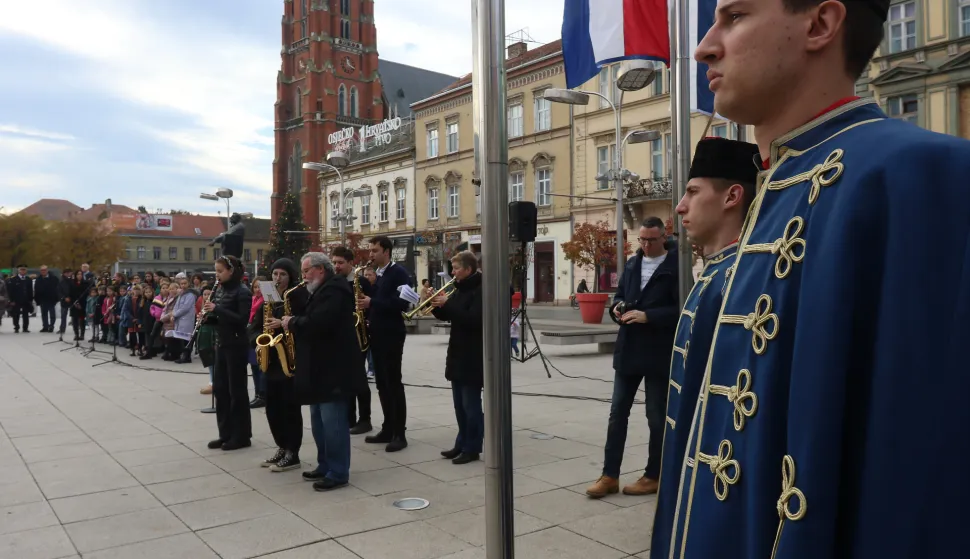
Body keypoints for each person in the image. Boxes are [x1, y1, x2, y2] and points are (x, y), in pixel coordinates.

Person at [659, 1, 970, 557]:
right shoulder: (773, 192)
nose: (705, 47)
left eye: (735, 16)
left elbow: (925, 467)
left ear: (820, 24)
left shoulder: (927, 174)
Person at [649, 137, 760, 559]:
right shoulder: (717, 272)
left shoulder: (739, 278)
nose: (680, 207)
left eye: (693, 192)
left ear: (732, 197)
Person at [586, 217, 679, 499]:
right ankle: (609, 475)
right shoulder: (632, 263)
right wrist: (617, 307)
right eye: (642, 240)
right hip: (629, 348)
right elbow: (620, 295)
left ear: (663, 237)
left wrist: (649, 315)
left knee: (656, 416)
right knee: (617, 414)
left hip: (658, 351)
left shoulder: (676, 265)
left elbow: (682, 308)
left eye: (651, 240)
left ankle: (654, 475)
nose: (646, 245)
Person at [282, 252, 362, 491]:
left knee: (333, 423)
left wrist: (292, 322)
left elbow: (320, 323)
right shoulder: (320, 290)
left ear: (320, 269)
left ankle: (338, 472)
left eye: (306, 271)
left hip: (333, 370)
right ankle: (325, 464)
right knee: (319, 423)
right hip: (318, 368)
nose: (304, 276)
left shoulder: (335, 290)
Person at [250, 259, 308, 472]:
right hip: (271, 360)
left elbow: (305, 324)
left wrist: (283, 326)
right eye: (275, 274)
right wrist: (258, 339)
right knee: (273, 409)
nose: (277, 278)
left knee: (289, 408)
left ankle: (293, 452)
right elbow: (255, 326)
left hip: (290, 359)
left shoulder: (298, 296)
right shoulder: (269, 296)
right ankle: (282, 447)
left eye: (282, 274)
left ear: (290, 276)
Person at [357, 236, 411, 452]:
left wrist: (372, 302)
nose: (370, 254)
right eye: (370, 250)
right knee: (381, 384)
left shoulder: (399, 273)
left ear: (386, 251)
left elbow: (403, 303)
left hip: (391, 334)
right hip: (377, 334)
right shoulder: (380, 274)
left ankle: (399, 433)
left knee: (393, 383)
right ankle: (388, 428)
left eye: (375, 250)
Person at [430, 251, 484, 465]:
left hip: (473, 355)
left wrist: (448, 303)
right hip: (457, 353)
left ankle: (472, 448)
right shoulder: (459, 287)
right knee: (459, 406)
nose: (452, 273)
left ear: (468, 269)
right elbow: (449, 315)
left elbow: (473, 319)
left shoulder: (480, 289)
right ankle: (461, 443)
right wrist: (435, 305)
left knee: (471, 407)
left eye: (456, 269)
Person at [205, 255, 254, 451]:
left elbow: (242, 320)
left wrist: (217, 309)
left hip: (236, 345)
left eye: (220, 271)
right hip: (222, 343)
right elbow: (221, 318)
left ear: (231, 271)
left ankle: (241, 435)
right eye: (216, 271)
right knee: (221, 390)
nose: (217, 275)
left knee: (237, 391)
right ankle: (225, 433)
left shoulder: (243, 291)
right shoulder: (219, 290)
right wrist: (208, 318)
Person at [331, 245, 373, 435]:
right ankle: (349, 418)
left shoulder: (360, 281)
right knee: (345, 378)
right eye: (334, 262)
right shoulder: (334, 281)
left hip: (358, 334)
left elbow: (371, 304)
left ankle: (365, 419)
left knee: (359, 378)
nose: (336, 266)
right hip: (341, 335)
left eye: (340, 263)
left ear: (350, 263)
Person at [247, 277, 267, 408]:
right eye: (255, 287)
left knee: (260, 368)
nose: (257, 289)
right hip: (251, 336)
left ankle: (262, 395)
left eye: (260, 287)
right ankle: (257, 393)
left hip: (260, 336)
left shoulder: (266, 301)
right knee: (254, 366)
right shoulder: (253, 300)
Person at [7, 265, 34, 334]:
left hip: (26, 300)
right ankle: (16, 327)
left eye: (24, 269)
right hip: (16, 300)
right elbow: (11, 291)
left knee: (26, 315)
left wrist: (30, 300)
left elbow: (30, 291)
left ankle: (25, 328)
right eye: (21, 269)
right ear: (18, 270)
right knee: (16, 314)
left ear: (26, 271)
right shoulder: (13, 279)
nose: (23, 271)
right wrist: (11, 300)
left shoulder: (28, 279)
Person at [34, 265, 59, 333]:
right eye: (42, 270)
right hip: (43, 299)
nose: (43, 271)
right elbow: (36, 289)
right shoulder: (38, 279)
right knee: (44, 314)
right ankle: (45, 327)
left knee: (52, 314)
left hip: (51, 299)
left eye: (44, 270)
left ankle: (51, 326)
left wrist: (57, 298)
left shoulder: (54, 278)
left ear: (47, 270)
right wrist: (37, 299)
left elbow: (57, 289)